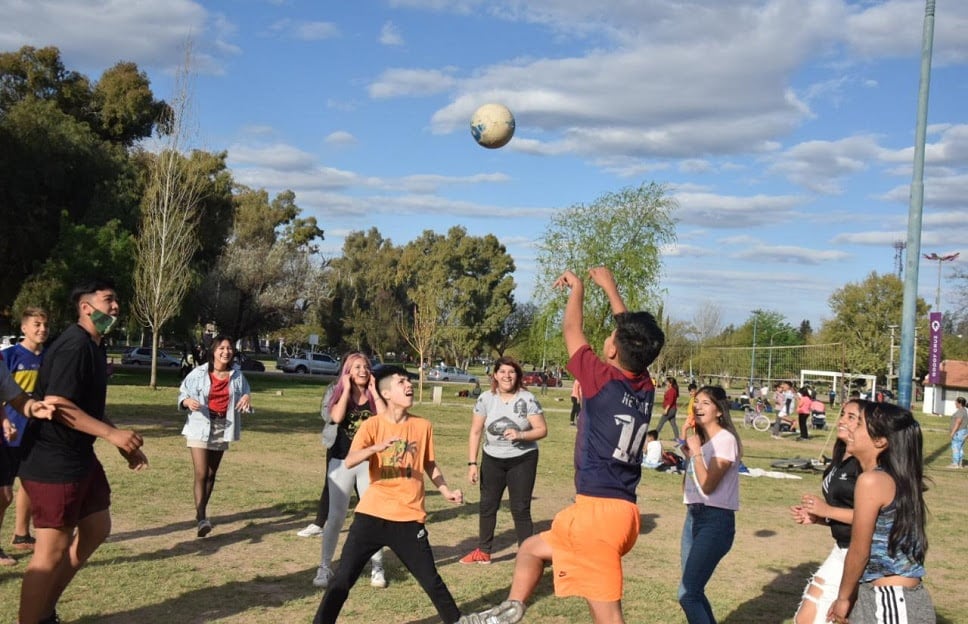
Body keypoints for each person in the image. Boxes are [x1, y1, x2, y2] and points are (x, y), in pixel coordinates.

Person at [459, 266, 664, 624]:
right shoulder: (645, 386)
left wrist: (579, 289)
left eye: (613, 336)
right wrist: (612, 288)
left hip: (598, 517)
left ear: (613, 348)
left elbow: (572, 330)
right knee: (532, 549)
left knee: (608, 616)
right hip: (618, 512)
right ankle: (510, 610)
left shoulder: (600, 379)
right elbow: (633, 335)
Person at [17, 278, 147, 624]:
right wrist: (111, 435)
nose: (116, 307)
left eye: (117, 300)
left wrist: (118, 437)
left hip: (77, 458)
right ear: (85, 307)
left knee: (96, 527)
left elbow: (83, 403)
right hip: (51, 461)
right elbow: (58, 404)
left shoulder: (94, 345)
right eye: (109, 300)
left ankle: (44, 611)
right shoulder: (74, 345)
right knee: (50, 553)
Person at [313, 365, 464, 624]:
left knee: (431, 580)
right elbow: (349, 461)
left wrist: (445, 489)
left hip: (408, 517)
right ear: (386, 394)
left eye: (409, 382)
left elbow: (429, 463)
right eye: (401, 382)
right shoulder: (372, 425)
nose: (409, 386)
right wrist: (375, 448)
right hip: (371, 515)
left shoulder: (422, 425)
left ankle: (457, 621)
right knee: (342, 579)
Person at [827, 402, 935, 624]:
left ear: (880, 441)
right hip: (879, 594)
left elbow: (859, 550)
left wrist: (843, 598)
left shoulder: (873, 481)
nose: (849, 428)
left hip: (892, 600)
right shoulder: (892, 477)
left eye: (858, 424)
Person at [308, 353, 387, 589]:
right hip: (341, 461)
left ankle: (377, 567)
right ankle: (324, 567)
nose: (363, 370)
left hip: (369, 462)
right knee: (335, 517)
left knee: (373, 516)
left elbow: (385, 420)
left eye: (366, 367)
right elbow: (336, 417)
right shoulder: (338, 391)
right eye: (356, 367)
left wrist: (373, 391)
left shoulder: (376, 392)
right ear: (348, 371)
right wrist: (345, 390)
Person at [461, 357, 547, 565]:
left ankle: (528, 555)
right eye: (502, 372)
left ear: (517, 375)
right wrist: (472, 463)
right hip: (492, 459)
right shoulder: (485, 399)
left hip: (522, 460)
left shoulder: (527, 399)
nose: (507, 376)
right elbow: (475, 431)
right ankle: (483, 551)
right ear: (495, 375)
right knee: (488, 505)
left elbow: (542, 430)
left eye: (511, 372)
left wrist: (521, 435)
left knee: (520, 508)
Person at [790, 400, 862, 624]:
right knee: (806, 618)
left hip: (862, 554)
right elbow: (846, 510)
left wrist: (827, 510)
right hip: (841, 549)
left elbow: (872, 518)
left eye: (851, 417)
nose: (841, 420)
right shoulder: (842, 456)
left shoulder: (867, 464)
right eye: (842, 414)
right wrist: (819, 517)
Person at [678, 385, 742, 624]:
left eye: (705, 403)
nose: (698, 407)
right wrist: (690, 451)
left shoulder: (725, 440)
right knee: (693, 590)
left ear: (719, 411)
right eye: (697, 402)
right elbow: (690, 488)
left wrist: (695, 453)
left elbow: (708, 487)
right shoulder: (703, 443)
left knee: (687, 593)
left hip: (715, 521)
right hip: (694, 516)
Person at [178, 334, 252, 538]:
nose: (226, 352)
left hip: (222, 426)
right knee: (201, 472)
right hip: (200, 424)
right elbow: (183, 393)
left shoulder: (237, 375)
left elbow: (246, 392)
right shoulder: (198, 373)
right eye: (222, 348)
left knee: (211, 473)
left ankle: (202, 512)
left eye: (229, 348)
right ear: (213, 351)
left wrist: (246, 397)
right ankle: (201, 517)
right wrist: (187, 402)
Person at [0, 307, 48, 565]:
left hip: (36, 433)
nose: (42, 329)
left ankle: (21, 534)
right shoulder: (8, 357)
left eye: (45, 325)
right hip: (9, 433)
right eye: (36, 324)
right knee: (4, 493)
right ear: (24, 328)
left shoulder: (50, 359)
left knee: (28, 483)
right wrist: (6, 420)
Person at [655, 376, 681, 442]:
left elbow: (670, 401)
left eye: (667, 382)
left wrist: (666, 409)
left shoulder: (672, 391)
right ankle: (677, 438)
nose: (666, 383)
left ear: (670, 383)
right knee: (673, 424)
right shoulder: (672, 390)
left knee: (661, 422)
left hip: (670, 410)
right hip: (673, 409)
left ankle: (654, 437)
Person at [948, 396, 967, 468]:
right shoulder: (964, 410)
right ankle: (960, 463)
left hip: (959, 432)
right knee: (960, 447)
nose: (955, 403)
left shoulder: (961, 411)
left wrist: (953, 432)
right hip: (962, 432)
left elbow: (958, 422)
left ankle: (955, 463)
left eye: (956, 402)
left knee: (955, 447)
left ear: (960, 403)